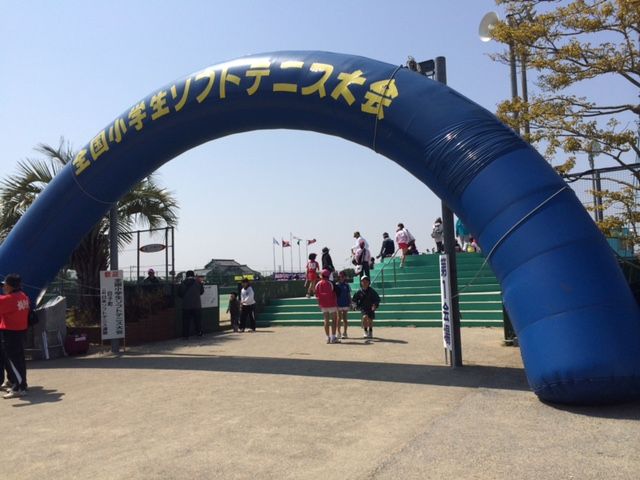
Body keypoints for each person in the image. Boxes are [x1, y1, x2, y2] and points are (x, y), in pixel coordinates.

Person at [0, 274, 30, 398]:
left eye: (5, 285)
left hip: (11, 333)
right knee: (19, 360)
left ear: (10, 286)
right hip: (20, 331)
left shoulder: (8, 299)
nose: (3, 287)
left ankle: (19, 388)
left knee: (13, 361)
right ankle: (20, 384)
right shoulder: (23, 296)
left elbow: (3, 302)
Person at [352, 275, 380, 340]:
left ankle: (370, 331)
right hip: (363, 308)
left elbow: (377, 299)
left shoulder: (372, 291)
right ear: (361, 282)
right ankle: (365, 331)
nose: (365, 283)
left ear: (368, 282)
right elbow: (354, 300)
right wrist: (354, 306)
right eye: (363, 281)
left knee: (370, 320)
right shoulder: (359, 291)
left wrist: (375, 305)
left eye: (366, 281)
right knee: (364, 317)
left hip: (371, 307)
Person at [178, 270, 204, 339]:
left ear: (186, 275)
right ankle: (199, 333)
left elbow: (180, 294)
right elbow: (201, 292)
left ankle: (185, 336)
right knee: (197, 321)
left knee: (186, 321)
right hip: (197, 305)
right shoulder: (198, 282)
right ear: (193, 275)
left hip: (186, 305)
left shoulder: (183, 283)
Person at [315, 269, 339, 344]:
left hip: (323, 304)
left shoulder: (318, 284)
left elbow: (316, 295)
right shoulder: (331, 283)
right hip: (332, 304)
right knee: (334, 320)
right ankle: (333, 337)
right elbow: (337, 292)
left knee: (326, 320)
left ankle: (327, 337)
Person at [334, 271, 352, 339]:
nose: (341, 278)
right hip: (338, 304)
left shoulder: (347, 285)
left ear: (345, 277)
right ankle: (338, 332)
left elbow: (349, 295)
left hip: (345, 304)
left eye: (342, 276)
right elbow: (334, 295)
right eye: (340, 276)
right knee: (339, 318)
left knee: (345, 319)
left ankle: (345, 333)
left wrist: (350, 303)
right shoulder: (336, 285)